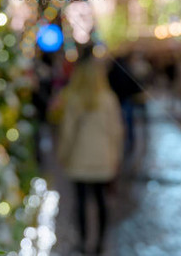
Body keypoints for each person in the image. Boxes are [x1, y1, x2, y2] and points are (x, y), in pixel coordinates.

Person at [58, 52, 123, 255]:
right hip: (103, 158)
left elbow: (67, 133)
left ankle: (84, 240)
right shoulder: (108, 99)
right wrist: (116, 157)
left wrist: (63, 154)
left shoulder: (74, 99)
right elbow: (117, 132)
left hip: (79, 158)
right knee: (101, 201)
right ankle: (99, 243)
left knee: (81, 202)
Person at [107, 52, 142, 155]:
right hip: (126, 100)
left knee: (120, 121)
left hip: (118, 100)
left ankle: (125, 141)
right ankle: (129, 141)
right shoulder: (127, 71)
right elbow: (133, 85)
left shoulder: (112, 72)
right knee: (128, 121)